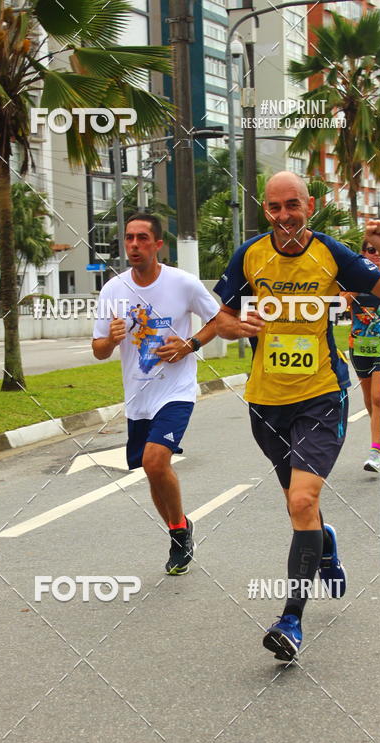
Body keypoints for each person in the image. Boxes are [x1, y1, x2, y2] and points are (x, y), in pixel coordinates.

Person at [214, 172, 380, 662]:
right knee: (297, 507)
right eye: (275, 207)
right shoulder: (249, 255)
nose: (285, 215)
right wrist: (236, 325)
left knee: (303, 500)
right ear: (266, 210)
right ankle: (324, 544)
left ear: (310, 205)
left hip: (322, 396)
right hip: (265, 402)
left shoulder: (330, 253)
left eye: (293, 205)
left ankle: (291, 621)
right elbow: (217, 317)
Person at [92, 213, 220, 575]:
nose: (134, 245)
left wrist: (190, 344)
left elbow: (219, 321)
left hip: (176, 390)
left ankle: (179, 534)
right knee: (151, 470)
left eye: (142, 238)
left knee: (154, 460)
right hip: (138, 397)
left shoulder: (183, 283)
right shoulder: (112, 290)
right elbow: (99, 350)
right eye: (129, 238)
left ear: (158, 244)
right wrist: (111, 339)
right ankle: (179, 528)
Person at [346, 239, 380, 474]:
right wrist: (354, 287)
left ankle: (375, 452)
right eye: (370, 251)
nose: (375, 255)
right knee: (369, 399)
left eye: (379, 251)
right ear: (363, 253)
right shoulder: (352, 278)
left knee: (378, 397)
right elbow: (341, 302)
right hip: (359, 345)